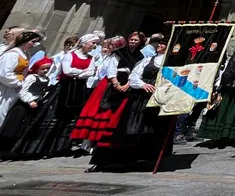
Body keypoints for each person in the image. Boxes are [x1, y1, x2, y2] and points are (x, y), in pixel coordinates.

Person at [89, 34, 170, 171]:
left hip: (156, 98)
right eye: (159, 44)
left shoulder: (169, 62)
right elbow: (134, 75)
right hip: (139, 97)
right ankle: (119, 159)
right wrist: (142, 84)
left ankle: (145, 158)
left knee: (150, 129)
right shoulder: (148, 60)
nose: (160, 46)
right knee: (129, 126)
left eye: (163, 44)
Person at [12, 33, 98, 158]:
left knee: (70, 119)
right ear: (84, 43)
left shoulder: (91, 58)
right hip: (64, 88)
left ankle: (61, 147)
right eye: (92, 43)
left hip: (78, 89)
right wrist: (81, 73)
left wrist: (78, 74)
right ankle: (42, 148)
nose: (94, 46)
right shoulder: (70, 55)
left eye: (95, 44)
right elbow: (67, 70)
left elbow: (90, 72)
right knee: (55, 117)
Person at [72, 36, 127, 150]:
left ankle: (93, 141)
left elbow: (112, 72)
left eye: (111, 45)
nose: (108, 48)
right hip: (103, 85)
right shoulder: (107, 57)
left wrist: (117, 83)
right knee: (94, 112)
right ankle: (86, 141)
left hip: (107, 85)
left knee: (101, 113)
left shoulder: (116, 57)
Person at [0, 57, 52, 155]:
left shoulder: (46, 79)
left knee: (23, 128)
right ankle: (3, 148)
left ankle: (15, 149)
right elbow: (22, 91)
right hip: (23, 106)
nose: (45, 71)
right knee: (13, 126)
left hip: (34, 106)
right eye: (43, 68)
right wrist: (29, 100)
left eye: (47, 69)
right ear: (37, 68)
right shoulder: (32, 78)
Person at [0, 31, 43, 129]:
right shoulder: (12, 54)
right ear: (25, 40)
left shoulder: (24, 54)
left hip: (13, 89)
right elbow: (4, 74)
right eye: (32, 41)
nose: (34, 44)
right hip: (4, 88)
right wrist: (18, 82)